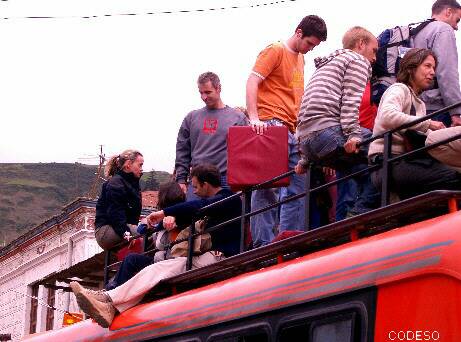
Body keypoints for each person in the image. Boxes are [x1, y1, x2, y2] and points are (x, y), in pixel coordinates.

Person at [70, 164, 242, 327]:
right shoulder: (216, 203)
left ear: (206, 185)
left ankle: (107, 298)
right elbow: (192, 211)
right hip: (202, 256)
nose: (194, 191)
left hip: (218, 256)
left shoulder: (229, 199)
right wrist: (168, 218)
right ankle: (109, 304)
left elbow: (199, 207)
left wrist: (164, 212)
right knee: (152, 269)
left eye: (196, 187)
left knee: (156, 269)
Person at [246, 15, 328, 247]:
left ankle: (289, 241)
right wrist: (254, 118)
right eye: (310, 43)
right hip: (271, 122)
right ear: (299, 32)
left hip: (292, 129)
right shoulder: (275, 50)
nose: (310, 49)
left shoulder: (300, 59)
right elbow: (252, 80)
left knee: (298, 187)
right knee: (267, 189)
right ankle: (264, 244)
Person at [296, 26, 380, 218]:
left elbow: (310, 106)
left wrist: (305, 158)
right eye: (374, 50)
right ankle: (359, 213)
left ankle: (351, 215)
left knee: (361, 169)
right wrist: (353, 134)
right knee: (386, 147)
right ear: (361, 44)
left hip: (307, 142)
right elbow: (350, 102)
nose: (375, 58)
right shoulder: (358, 61)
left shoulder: (327, 65)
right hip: (328, 133)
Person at [368, 48, 461, 199]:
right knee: (454, 176)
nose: (433, 72)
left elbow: (419, 133)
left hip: (406, 161)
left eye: (434, 68)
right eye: (427, 66)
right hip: (388, 164)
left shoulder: (420, 104)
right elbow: (387, 115)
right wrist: (428, 124)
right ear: (411, 67)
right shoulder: (398, 89)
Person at [175, 72, 248, 200]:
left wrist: (241, 183)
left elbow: (244, 154)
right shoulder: (191, 118)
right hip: (197, 181)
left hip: (224, 181)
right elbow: (182, 150)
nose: (204, 97)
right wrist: (181, 179)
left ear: (219, 88)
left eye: (208, 92)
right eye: (201, 93)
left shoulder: (237, 118)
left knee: (224, 220)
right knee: (194, 218)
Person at [105, 181, 186, 291]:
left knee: (131, 261)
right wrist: (148, 226)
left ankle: (112, 291)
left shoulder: (177, 217)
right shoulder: (162, 219)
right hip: (159, 261)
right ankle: (112, 289)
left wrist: (156, 225)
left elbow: (166, 230)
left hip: (168, 263)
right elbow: (142, 230)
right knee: (131, 259)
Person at [412, 0, 461, 127]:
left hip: (414, 106)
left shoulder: (417, 31)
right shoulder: (443, 29)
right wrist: (456, 112)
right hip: (436, 107)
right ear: (448, 12)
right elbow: (447, 74)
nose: (456, 27)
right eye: (457, 20)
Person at [94, 150, 143, 250]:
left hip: (118, 228)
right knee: (146, 232)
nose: (142, 169)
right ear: (128, 164)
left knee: (146, 232)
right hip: (106, 230)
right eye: (140, 165)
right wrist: (126, 233)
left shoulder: (131, 184)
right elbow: (115, 212)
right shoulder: (116, 184)